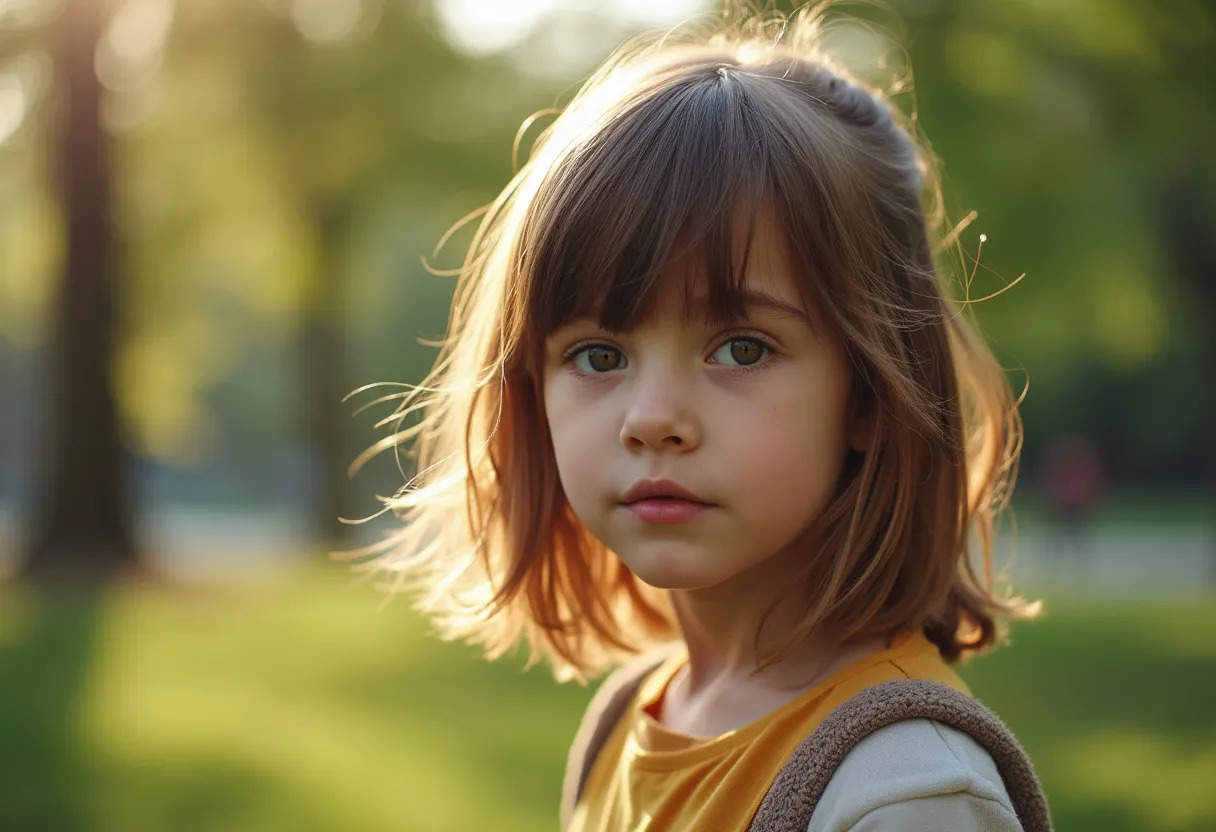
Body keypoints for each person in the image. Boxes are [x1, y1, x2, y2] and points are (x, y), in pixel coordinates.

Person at [347, 3, 1047, 829]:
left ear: (868, 392)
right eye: (599, 356)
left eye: (741, 349)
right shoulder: (629, 719)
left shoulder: (905, 793)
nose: (652, 419)